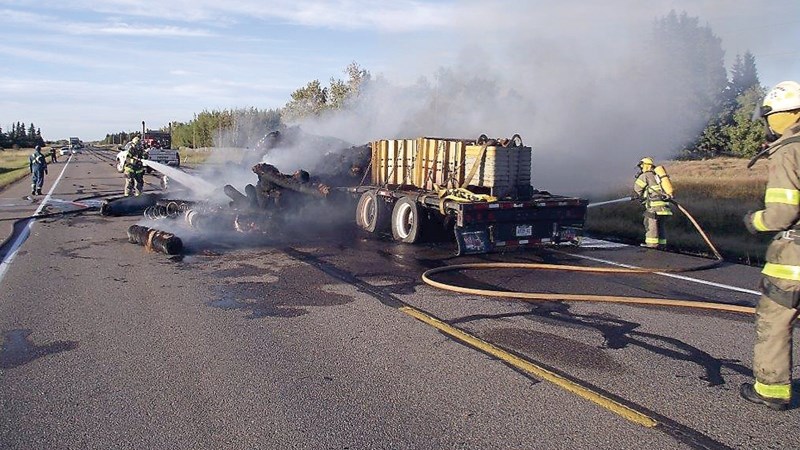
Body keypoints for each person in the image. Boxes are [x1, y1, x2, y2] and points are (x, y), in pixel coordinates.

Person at [741, 80, 800, 411]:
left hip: (794, 256)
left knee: (774, 319)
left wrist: (755, 221)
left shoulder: (789, 150)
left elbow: (782, 213)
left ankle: (772, 391)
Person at [632, 157, 672, 248]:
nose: (641, 169)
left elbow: (637, 188)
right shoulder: (658, 176)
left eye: (641, 166)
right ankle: (662, 245)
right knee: (660, 226)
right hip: (665, 207)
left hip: (654, 207)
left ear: (645, 166)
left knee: (651, 226)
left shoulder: (645, 175)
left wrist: (640, 196)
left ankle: (652, 245)